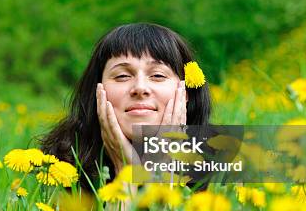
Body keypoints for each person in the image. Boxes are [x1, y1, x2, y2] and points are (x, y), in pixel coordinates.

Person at [39, 23, 212, 191]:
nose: (140, 88)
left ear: (185, 92)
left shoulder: (221, 158)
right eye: (122, 76)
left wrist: (161, 173)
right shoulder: (65, 163)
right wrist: (125, 172)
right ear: (97, 90)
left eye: (158, 75)